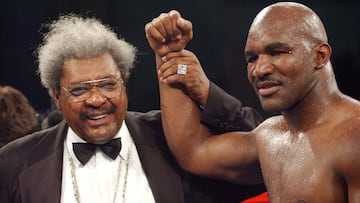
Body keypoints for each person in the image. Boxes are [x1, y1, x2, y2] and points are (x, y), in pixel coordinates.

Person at [0, 14, 265, 203]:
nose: (96, 99)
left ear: (124, 86)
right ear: (56, 97)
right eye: (80, 89)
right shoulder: (15, 163)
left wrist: (206, 91)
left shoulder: (171, 139)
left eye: (107, 84)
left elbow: (264, 150)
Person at [145, 2, 360, 203]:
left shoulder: (353, 135)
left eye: (277, 52)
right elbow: (194, 152)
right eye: (252, 59)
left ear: (320, 56)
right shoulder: (270, 137)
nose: (259, 70)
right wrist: (168, 54)